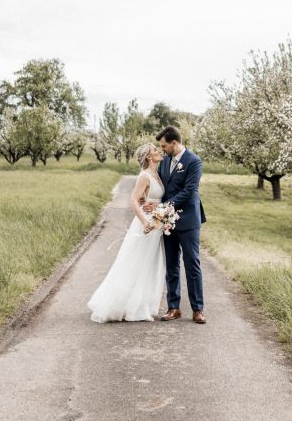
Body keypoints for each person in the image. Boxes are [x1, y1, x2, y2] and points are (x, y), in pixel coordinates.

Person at [87, 143, 167, 322]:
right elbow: (133, 201)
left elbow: (157, 199)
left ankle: (141, 305)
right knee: (137, 262)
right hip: (146, 224)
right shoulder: (144, 176)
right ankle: (126, 306)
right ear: (148, 156)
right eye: (155, 150)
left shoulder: (157, 174)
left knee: (150, 264)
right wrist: (146, 222)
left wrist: (161, 212)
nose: (159, 151)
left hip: (158, 224)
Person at [149, 125, 207, 324]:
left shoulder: (194, 161)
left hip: (189, 220)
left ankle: (197, 309)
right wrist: (153, 204)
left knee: (192, 264)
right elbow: (162, 188)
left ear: (174, 142)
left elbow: (189, 191)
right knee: (171, 265)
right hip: (167, 222)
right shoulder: (164, 162)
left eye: (164, 145)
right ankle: (173, 307)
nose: (162, 149)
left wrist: (164, 206)